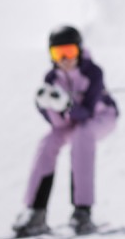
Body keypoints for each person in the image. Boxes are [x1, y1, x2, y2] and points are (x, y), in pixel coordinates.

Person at [12, 25, 118, 237]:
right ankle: (36, 210)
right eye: (58, 53)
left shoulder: (93, 72)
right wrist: (47, 107)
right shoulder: (51, 79)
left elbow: (88, 111)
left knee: (82, 136)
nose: (65, 58)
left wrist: (66, 105)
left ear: (79, 50)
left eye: (69, 52)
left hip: (102, 116)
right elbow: (58, 126)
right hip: (72, 121)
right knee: (48, 142)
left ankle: (82, 211)